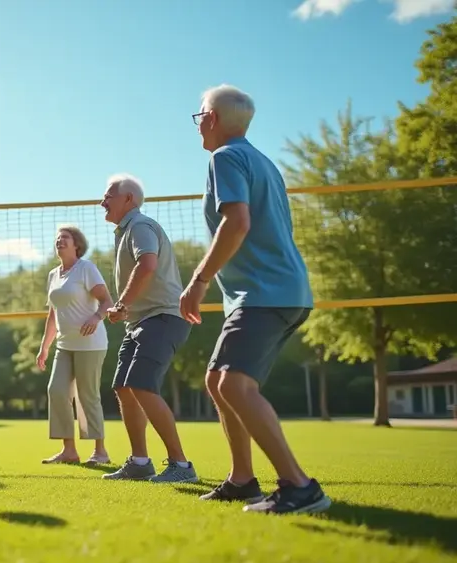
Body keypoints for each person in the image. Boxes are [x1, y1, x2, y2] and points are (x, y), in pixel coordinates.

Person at [181, 84, 330, 514]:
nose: (198, 126)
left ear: (211, 118)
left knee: (234, 384)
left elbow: (238, 223)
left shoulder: (224, 157)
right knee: (218, 380)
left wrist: (198, 280)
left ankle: (300, 487)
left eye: (199, 117)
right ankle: (242, 480)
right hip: (279, 291)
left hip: (265, 293)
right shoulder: (263, 162)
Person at [97, 174, 197, 483]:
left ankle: (181, 466)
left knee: (141, 385)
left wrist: (122, 304)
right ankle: (140, 462)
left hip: (163, 318)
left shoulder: (140, 226)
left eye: (108, 196)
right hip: (140, 322)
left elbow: (147, 265)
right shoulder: (126, 231)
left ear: (128, 199)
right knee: (124, 387)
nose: (102, 202)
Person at [36, 225, 115, 465]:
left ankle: (100, 452)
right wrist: (44, 347)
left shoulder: (86, 268)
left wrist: (96, 317)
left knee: (87, 395)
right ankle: (69, 451)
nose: (59, 241)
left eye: (65, 237)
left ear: (76, 244)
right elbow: (53, 314)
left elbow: (107, 301)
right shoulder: (53, 275)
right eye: (58, 238)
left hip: (90, 344)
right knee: (57, 391)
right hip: (64, 344)